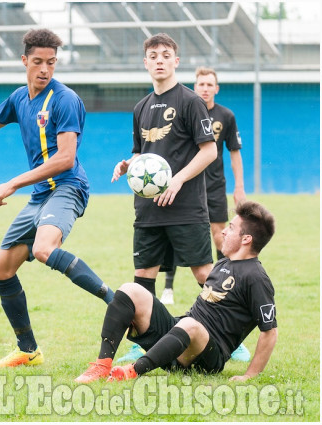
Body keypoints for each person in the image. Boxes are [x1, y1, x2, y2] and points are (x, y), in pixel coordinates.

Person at [0, 28, 113, 368]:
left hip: (68, 186)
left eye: (52, 63)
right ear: (24, 60)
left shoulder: (65, 100)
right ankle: (28, 350)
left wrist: (13, 183)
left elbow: (65, 158)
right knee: (0, 269)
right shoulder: (19, 99)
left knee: (44, 249)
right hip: (41, 195)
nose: (45, 69)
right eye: (38, 62)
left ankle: (116, 303)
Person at [75, 201, 277, 384]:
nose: (224, 231)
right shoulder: (224, 263)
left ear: (246, 239)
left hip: (207, 356)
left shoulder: (256, 277)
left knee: (190, 325)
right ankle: (101, 366)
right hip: (181, 335)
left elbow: (270, 332)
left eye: (231, 228)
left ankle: (132, 371)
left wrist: (249, 375)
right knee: (131, 290)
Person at [111, 33, 217, 364]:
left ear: (176, 61)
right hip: (147, 210)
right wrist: (129, 164)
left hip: (185, 206)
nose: (159, 59)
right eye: (153, 55)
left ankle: (225, 333)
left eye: (166, 54)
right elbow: (142, 153)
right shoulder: (140, 107)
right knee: (143, 278)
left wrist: (179, 179)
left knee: (204, 275)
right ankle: (144, 342)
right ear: (146, 63)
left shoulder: (190, 101)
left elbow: (209, 150)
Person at [161, 66, 246, 306]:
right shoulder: (184, 111)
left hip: (214, 186)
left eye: (210, 85)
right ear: (195, 86)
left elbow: (234, 154)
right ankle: (168, 287)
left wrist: (239, 186)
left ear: (216, 88)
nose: (205, 89)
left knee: (220, 235)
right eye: (201, 84)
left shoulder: (226, 116)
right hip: (185, 184)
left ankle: (222, 282)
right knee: (176, 233)